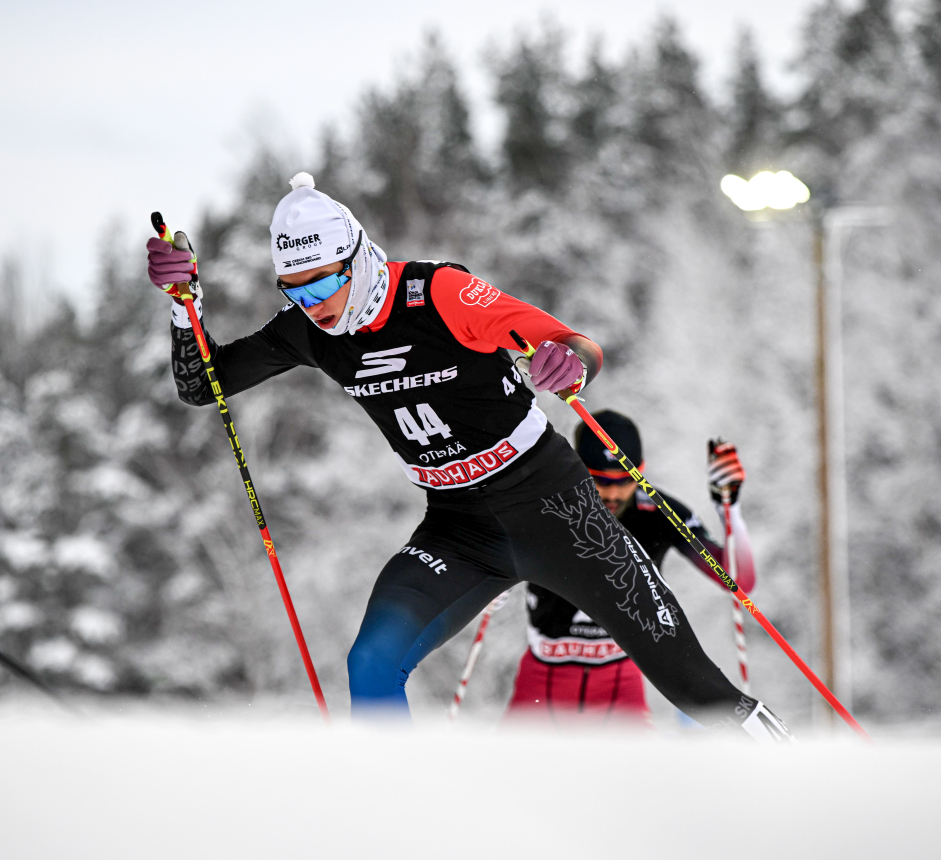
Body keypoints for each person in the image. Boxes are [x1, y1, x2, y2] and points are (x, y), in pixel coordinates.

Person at [148, 172, 788, 739]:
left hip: (553, 508)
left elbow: (570, 341)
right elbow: (203, 383)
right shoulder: (308, 329)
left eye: (324, 285)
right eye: (295, 292)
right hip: (458, 528)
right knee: (369, 663)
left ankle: (808, 784)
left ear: (358, 257)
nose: (316, 307)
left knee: (698, 689)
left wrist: (569, 359)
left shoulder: (438, 295)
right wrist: (186, 309)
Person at [504, 410, 757, 727]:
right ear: (576, 468)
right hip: (543, 680)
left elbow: (738, 580)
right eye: (599, 479)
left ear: (640, 472)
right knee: (505, 775)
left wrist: (729, 509)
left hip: (620, 686)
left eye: (625, 480)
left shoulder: (660, 513)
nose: (612, 493)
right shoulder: (546, 506)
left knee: (643, 776)